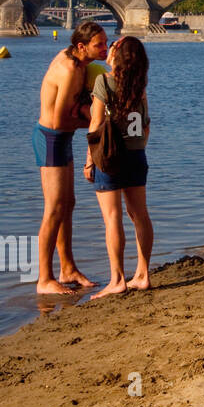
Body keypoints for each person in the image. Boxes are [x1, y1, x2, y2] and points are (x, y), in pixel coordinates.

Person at [34, 20, 108, 294]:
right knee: (53, 208)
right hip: (50, 138)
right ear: (81, 46)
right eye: (99, 44)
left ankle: (67, 268)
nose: (105, 49)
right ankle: (44, 279)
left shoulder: (82, 66)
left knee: (68, 204)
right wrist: (93, 120)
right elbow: (57, 118)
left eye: (106, 43)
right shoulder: (67, 70)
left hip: (62, 138)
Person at [85, 36, 155, 299]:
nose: (108, 49)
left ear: (118, 54)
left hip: (110, 155)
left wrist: (90, 159)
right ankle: (143, 274)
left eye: (113, 46)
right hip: (137, 154)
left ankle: (117, 279)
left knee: (112, 218)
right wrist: (139, 145)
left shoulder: (103, 81)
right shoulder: (140, 85)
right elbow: (146, 124)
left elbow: (95, 124)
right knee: (140, 215)